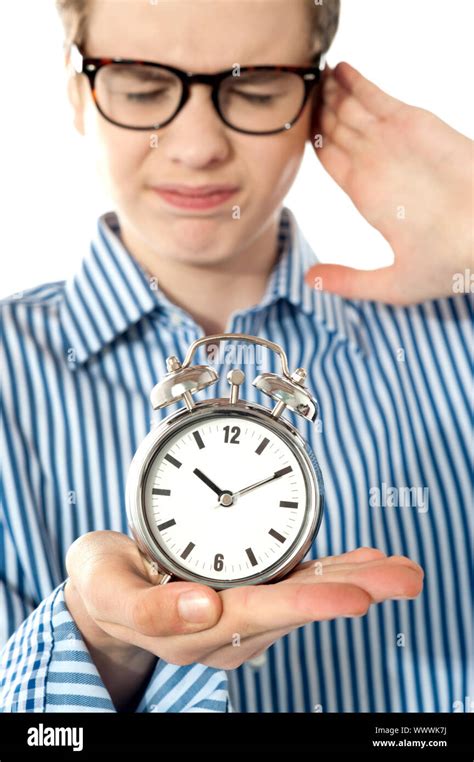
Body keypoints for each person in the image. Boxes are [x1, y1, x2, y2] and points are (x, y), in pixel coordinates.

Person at [0, 0, 471, 714]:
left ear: (317, 101)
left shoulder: (459, 337)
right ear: (78, 92)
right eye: (141, 88)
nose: (196, 147)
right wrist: (100, 646)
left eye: (253, 89)